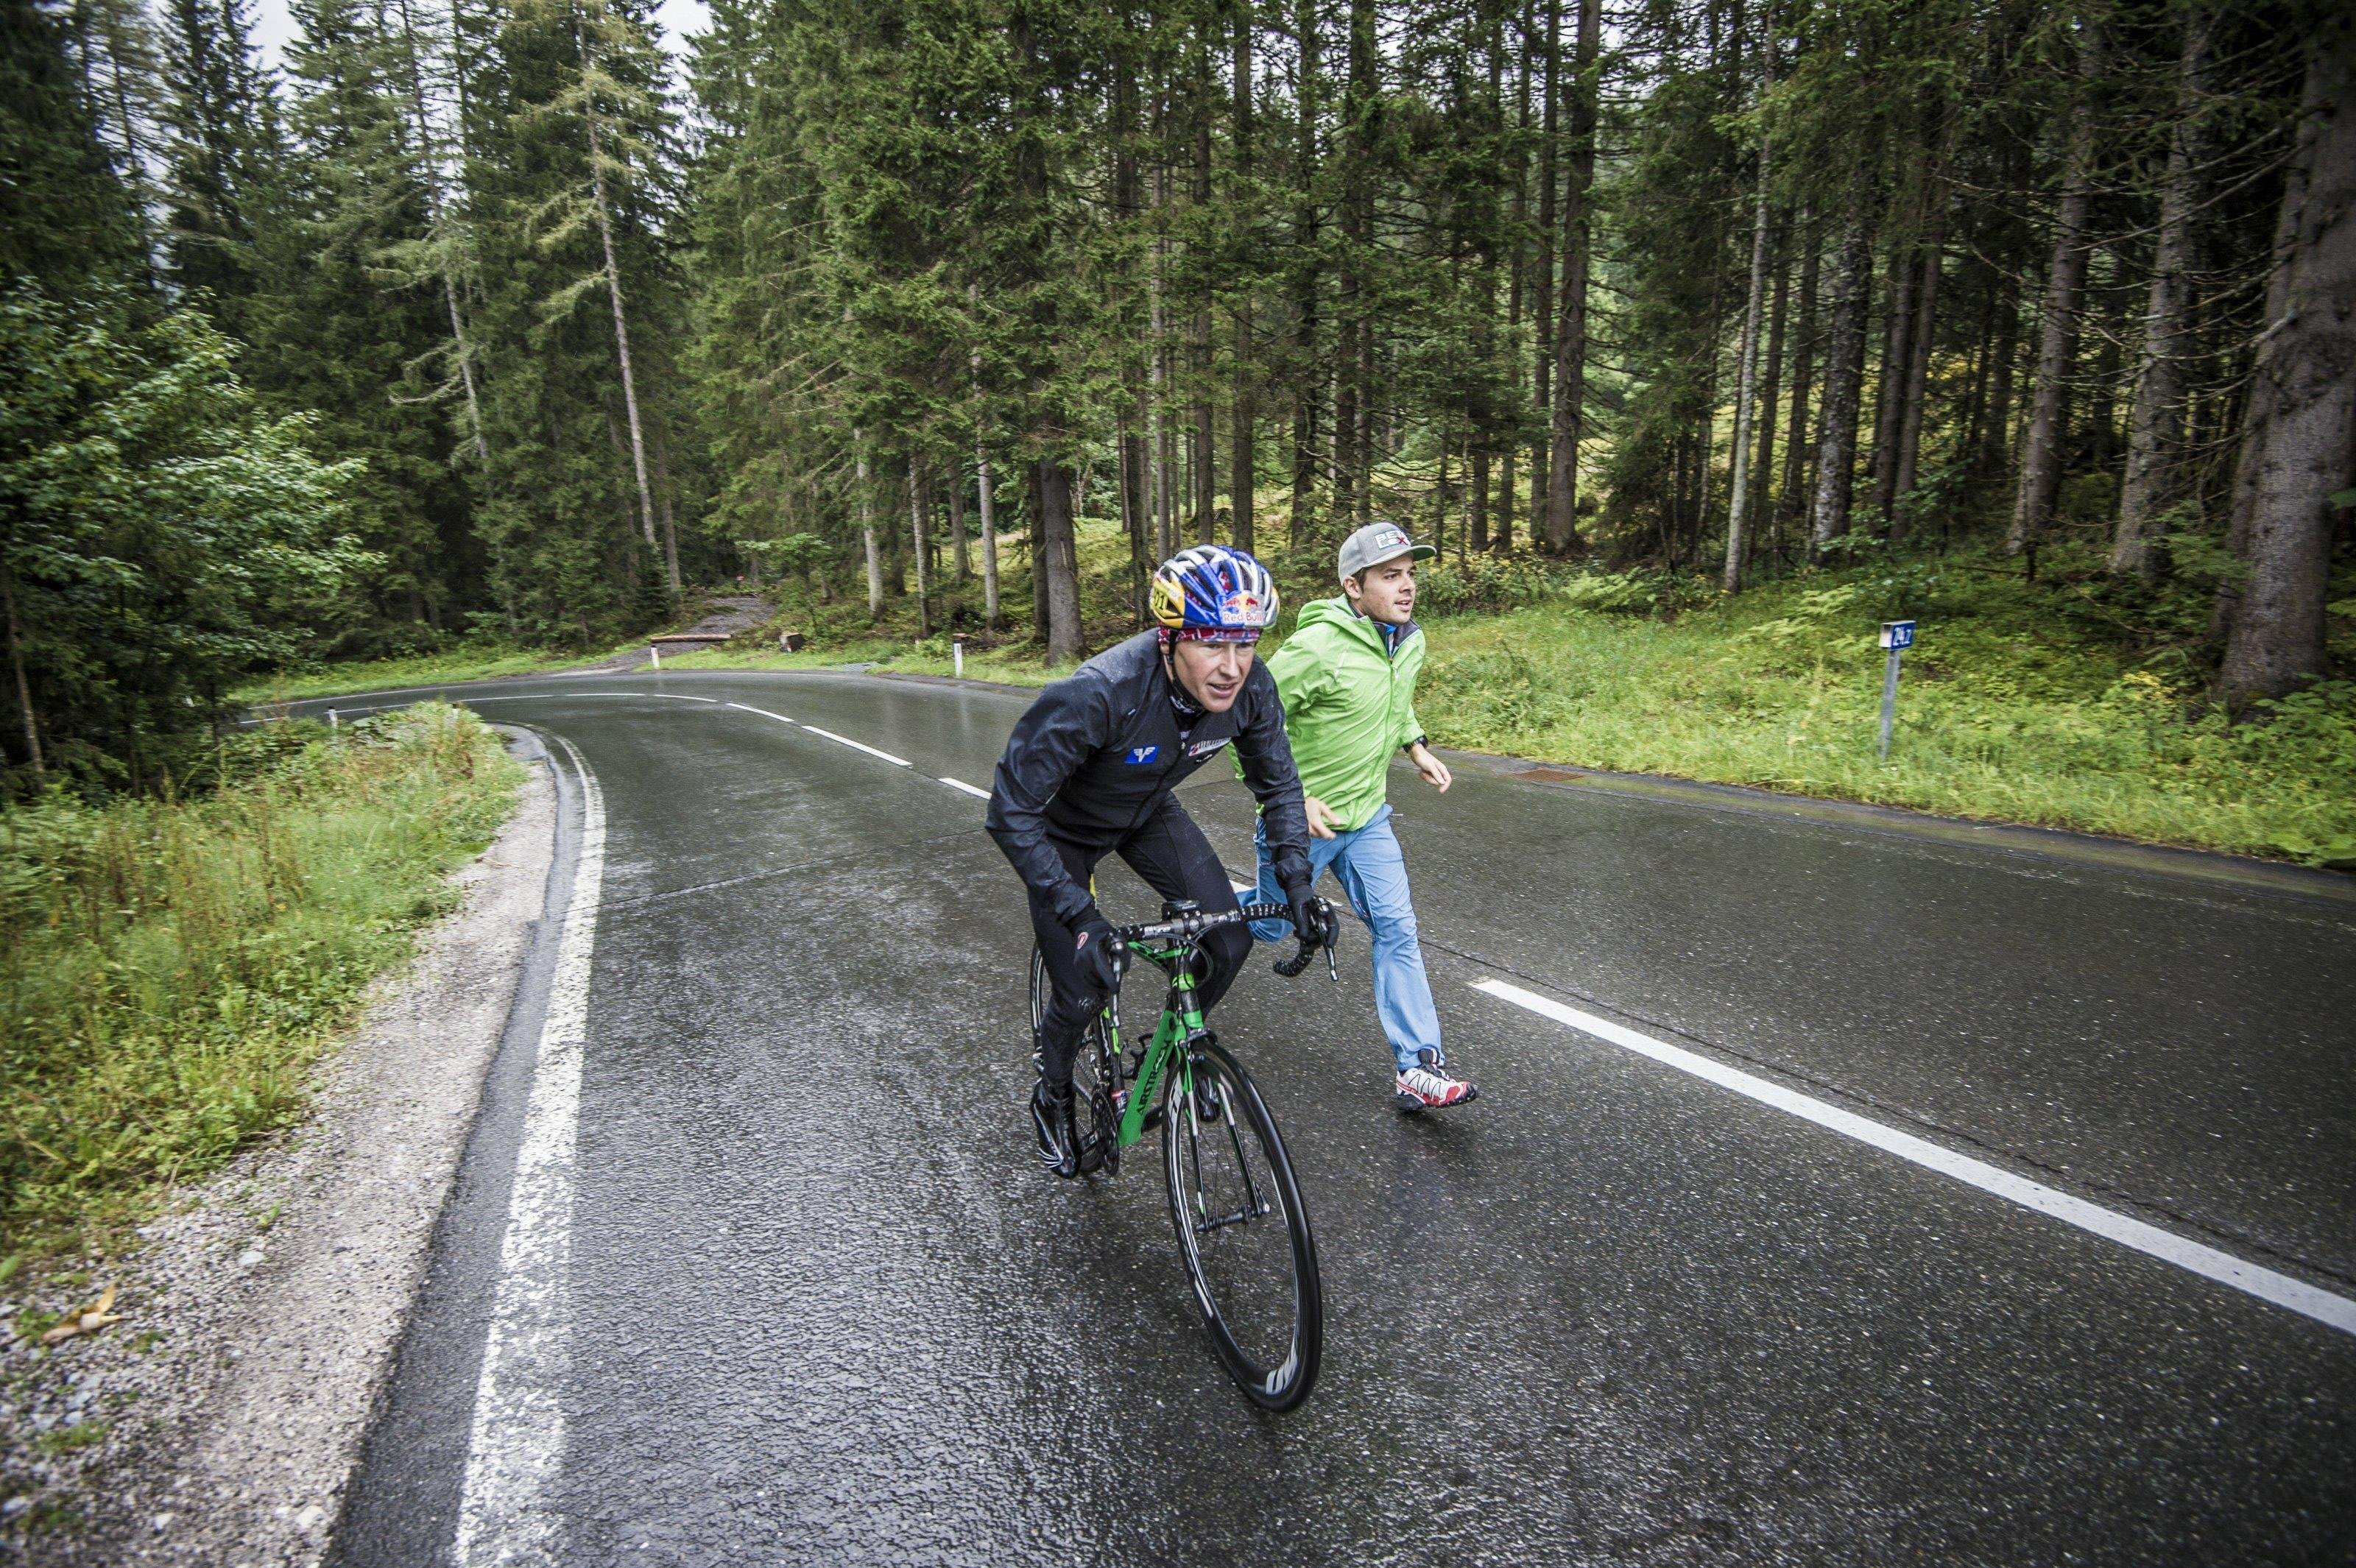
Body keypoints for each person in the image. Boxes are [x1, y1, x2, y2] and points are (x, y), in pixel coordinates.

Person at [987, 545, 1322, 1177]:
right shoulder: (1099, 694)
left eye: (1245, 645)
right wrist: (1079, 913)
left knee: (1229, 941)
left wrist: (1297, 881)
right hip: (1064, 834)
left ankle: (1174, 1057)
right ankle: (1052, 1091)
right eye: (1211, 645)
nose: (1231, 667)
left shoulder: (1252, 688)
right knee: (1085, 986)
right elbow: (1010, 811)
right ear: (1169, 640)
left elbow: (1279, 785)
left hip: (1146, 814)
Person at [1247, 521, 1477, 1114]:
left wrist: (1416, 745)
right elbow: (1244, 719)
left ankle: (1417, 1066)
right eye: (1390, 576)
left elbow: (1392, 698)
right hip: (1303, 823)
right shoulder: (1316, 648)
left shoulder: (1407, 640)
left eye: (1410, 575)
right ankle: (1198, 926)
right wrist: (1289, 800)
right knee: (1271, 925)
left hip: (1368, 820)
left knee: (1398, 929)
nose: (1406, 588)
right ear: (1354, 586)